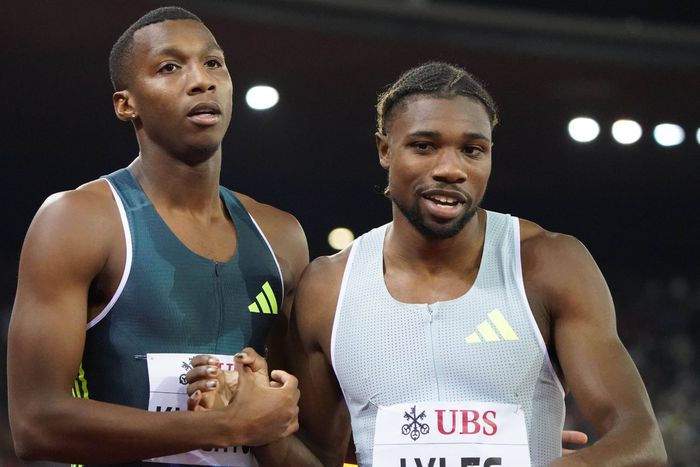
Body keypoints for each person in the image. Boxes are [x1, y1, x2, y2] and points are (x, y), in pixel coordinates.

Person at [188, 62, 667, 466]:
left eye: (472, 150)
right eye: (424, 145)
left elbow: (641, 440)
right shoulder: (328, 287)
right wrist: (260, 428)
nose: (451, 168)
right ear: (384, 150)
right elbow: (321, 457)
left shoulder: (548, 263)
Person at [7, 6, 308, 466]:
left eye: (213, 63)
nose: (201, 81)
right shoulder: (78, 220)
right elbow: (35, 424)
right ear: (125, 104)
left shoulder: (281, 236)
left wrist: (266, 423)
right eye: (170, 67)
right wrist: (225, 426)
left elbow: (292, 430)